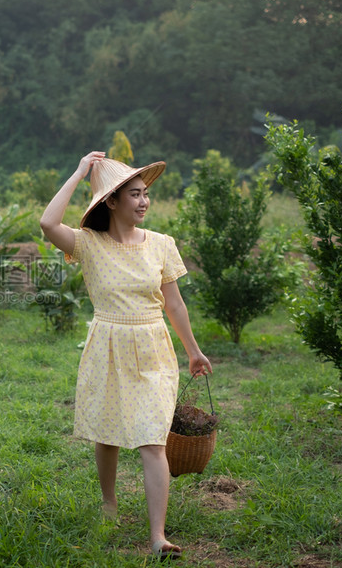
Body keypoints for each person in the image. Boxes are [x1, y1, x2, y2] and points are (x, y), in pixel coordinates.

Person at [40, 151, 212, 559]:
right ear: (111, 202)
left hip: (153, 347)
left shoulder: (162, 245)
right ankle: (109, 505)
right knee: (108, 433)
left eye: (146, 194)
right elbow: (48, 224)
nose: (143, 201)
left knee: (153, 439)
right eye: (134, 194)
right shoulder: (89, 244)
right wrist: (79, 172)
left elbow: (175, 304)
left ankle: (157, 537)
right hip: (108, 346)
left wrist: (194, 351)